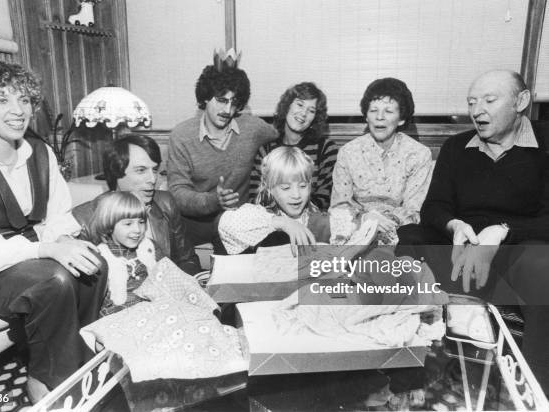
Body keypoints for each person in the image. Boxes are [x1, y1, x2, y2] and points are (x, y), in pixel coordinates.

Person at [0, 56, 106, 402]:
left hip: (22, 255)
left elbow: (59, 217)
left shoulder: (42, 154)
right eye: (2, 99)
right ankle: (49, 382)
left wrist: (59, 242)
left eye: (24, 99)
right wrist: (48, 250)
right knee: (52, 280)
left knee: (93, 264)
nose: (18, 110)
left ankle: (75, 361)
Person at [397, 70, 549, 393]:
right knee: (409, 238)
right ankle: (410, 374)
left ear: (522, 101)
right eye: (471, 102)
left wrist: (504, 231)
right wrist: (454, 225)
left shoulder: (546, 144)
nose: (477, 109)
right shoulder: (455, 147)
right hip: (462, 253)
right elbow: (433, 208)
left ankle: (535, 391)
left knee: (543, 267)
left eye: (489, 100)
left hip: (517, 255)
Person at [167, 50, 278, 252]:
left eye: (234, 103)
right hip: (193, 222)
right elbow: (177, 193)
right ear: (205, 98)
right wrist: (213, 200)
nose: (228, 110)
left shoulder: (252, 128)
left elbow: (282, 133)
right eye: (221, 100)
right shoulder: (181, 135)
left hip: (235, 221)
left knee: (234, 276)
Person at [73, 133, 201, 275]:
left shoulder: (166, 203)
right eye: (141, 170)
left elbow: (188, 260)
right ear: (116, 172)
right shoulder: (83, 219)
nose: (153, 179)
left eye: (155, 170)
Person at [331, 78, 432, 245]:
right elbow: (340, 206)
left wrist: (383, 222)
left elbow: (414, 209)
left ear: (401, 118)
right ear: (366, 116)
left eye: (389, 111)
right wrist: (365, 219)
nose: (379, 117)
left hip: (400, 232)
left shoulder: (418, 154)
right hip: (355, 230)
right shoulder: (348, 152)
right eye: (373, 110)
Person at [219, 146, 363, 255]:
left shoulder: (319, 220)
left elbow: (350, 224)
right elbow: (226, 224)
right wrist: (282, 222)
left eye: (302, 186)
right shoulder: (260, 217)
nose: (296, 195)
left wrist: (367, 220)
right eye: (286, 188)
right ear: (268, 187)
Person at [249, 82, 337, 210]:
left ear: (315, 118)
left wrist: (296, 214)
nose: (303, 113)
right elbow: (255, 197)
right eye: (300, 104)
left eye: (311, 110)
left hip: (310, 220)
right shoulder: (266, 150)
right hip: (272, 222)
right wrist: (282, 220)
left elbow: (326, 198)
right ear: (287, 107)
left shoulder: (326, 149)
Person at [87, 191, 160, 316]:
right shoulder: (101, 257)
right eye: (128, 224)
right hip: (119, 314)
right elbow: (93, 303)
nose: (137, 230)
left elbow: (165, 275)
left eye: (141, 222)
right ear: (109, 225)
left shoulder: (148, 246)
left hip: (153, 307)